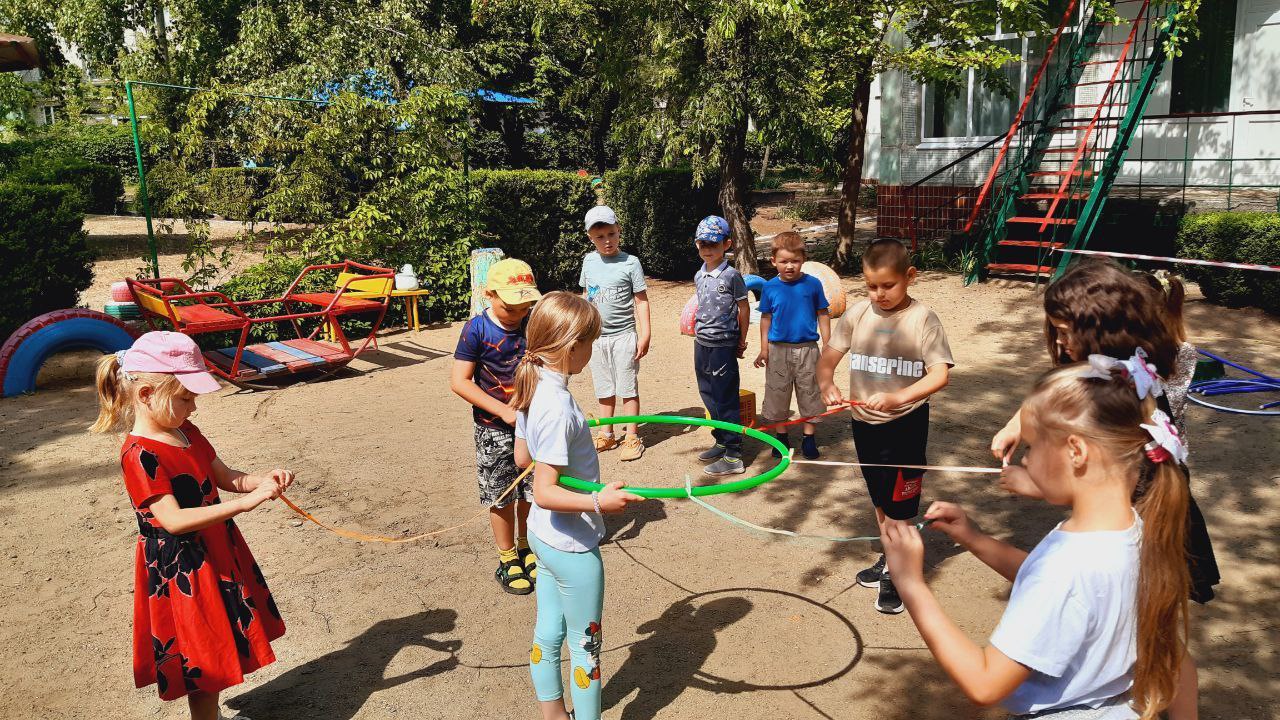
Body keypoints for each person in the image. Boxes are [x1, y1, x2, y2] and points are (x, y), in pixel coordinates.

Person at [882, 355, 1193, 720]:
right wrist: (973, 537)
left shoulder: (1066, 569)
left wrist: (911, 583)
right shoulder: (1129, 529)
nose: (1025, 462)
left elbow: (984, 683)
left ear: (1076, 452)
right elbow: (1057, 584)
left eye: (1031, 446)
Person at [992, 258, 1217, 717]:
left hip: (1151, 506)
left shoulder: (1122, 384)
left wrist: (1036, 484)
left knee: (1158, 633)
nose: (1058, 340)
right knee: (1139, 624)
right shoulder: (1110, 371)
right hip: (1136, 503)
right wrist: (1018, 423)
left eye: (1063, 330)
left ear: (1100, 328)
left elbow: (1112, 481)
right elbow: (1061, 400)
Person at [91, 331, 289, 720]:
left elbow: (225, 476)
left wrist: (261, 481)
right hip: (183, 566)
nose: (193, 407)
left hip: (216, 551)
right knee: (202, 661)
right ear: (146, 394)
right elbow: (173, 520)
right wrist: (245, 505)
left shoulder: (187, 432)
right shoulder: (139, 454)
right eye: (185, 398)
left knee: (218, 640)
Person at [511, 291, 644, 720]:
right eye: (591, 342)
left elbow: (521, 460)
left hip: (542, 535)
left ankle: (553, 716)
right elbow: (546, 490)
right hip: (570, 546)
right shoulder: (558, 404)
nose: (594, 349)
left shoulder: (534, 383)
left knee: (548, 632)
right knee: (586, 646)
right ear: (572, 347)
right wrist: (598, 501)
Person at [816, 238, 953, 614]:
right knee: (879, 498)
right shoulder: (858, 313)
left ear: (910, 277)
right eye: (871, 285)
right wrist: (827, 384)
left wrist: (899, 397)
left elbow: (939, 375)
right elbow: (827, 359)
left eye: (888, 286)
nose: (879, 294)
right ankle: (892, 558)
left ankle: (903, 574)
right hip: (864, 423)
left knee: (901, 505)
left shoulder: (922, 318)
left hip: (905, 423)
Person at [450, 258, 543, 595]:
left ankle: (526, 546)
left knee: (532, 489)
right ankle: (507, 558)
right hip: (494, 428)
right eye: (511, 307)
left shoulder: (532, 323)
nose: (519, 314)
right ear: (489, 294)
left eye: (525, 306)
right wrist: (503, 412)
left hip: (532, 424)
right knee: (502, 494)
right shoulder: (477, 329)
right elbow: (460, 382)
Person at [579, 205, 651, 461]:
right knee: (604, 387)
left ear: (619, 230)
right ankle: (607, 433)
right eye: (600, 237)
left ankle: (632, 436)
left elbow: (641, 301)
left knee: (628, 387)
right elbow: (585, 298)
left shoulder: (631, 263)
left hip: (624, 336)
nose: (607, 241)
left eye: (611, 234)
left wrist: (645, 334)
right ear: (590, 238)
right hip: (597, 338)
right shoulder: (588, 261)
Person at [753, 231, 831, 459]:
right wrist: (764, 348)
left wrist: (828, 343)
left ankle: (809, 437)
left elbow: (823, 313)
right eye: (784, 261)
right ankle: (782, 437)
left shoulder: (813, 284)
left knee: (810, 392)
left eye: (795, 261)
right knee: (777, 394)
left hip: (808, 349)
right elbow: (765, 318)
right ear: (773, 261)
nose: (789, 266)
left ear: (803, 260)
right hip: (778, 350)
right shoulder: (769, 287)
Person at [691, 215, 752, 476]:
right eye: (703, 243)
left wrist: (741, 339)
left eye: (713, 244)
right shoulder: (699, 274)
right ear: (697, 245)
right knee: (708, 393)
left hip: (723, 344)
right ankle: (722, 439)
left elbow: (744, 307)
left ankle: (734, 455)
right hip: (701, 342)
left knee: (725, 397)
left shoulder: (731, 275)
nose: (708, 249)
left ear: (726, 244)